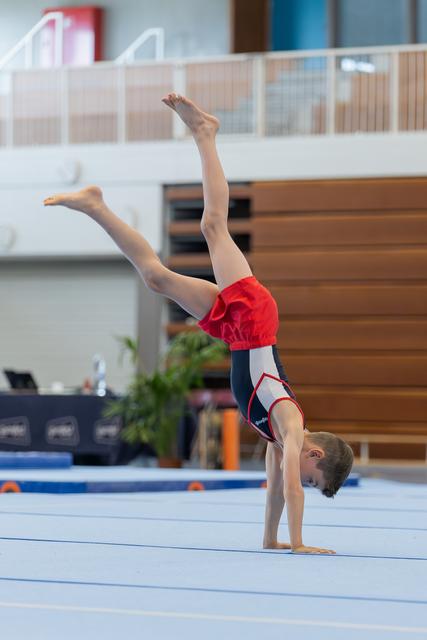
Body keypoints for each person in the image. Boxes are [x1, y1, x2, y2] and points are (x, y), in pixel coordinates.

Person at [44, 93, 353, 554]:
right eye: (312, 479)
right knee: (213, 226)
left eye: (306, 483)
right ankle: (205, 133)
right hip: (254, 323)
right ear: (316, 456)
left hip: (239, 334)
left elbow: (272, 491)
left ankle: (95, 206)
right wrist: (299, 544)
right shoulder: (289, 423)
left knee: (155, 279)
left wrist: (271, 540)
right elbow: (288, 490)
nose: (301, 482)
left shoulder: (278, 438)